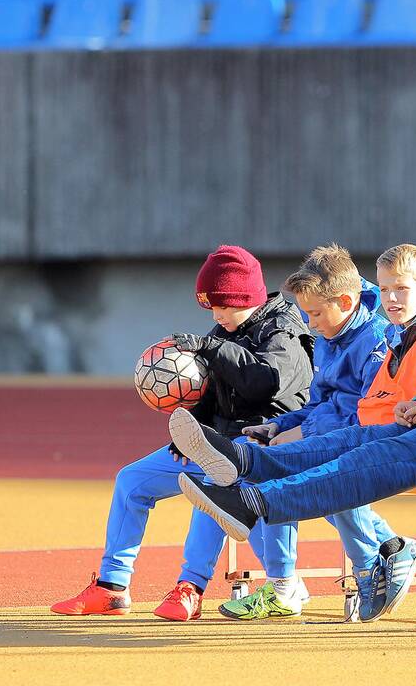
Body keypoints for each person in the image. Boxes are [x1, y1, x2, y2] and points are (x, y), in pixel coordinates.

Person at [173, 210, 416, 622]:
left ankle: (266, 511)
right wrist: (288, 424)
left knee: (354, 459)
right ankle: (246, 463)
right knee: (348, 446)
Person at [50, 245, 313, 620]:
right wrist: (189, 432)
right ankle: (111, 587)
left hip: (259, 447)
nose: (218, 315)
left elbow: (263, 384)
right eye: (212, 308)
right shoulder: (226, 328)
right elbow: (210, 390)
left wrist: (213, 347)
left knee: (210, 481)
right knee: (132, 481)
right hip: (217, 443)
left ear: (249, 298)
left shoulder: (283, 331)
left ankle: (191, 587)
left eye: (225, 306)